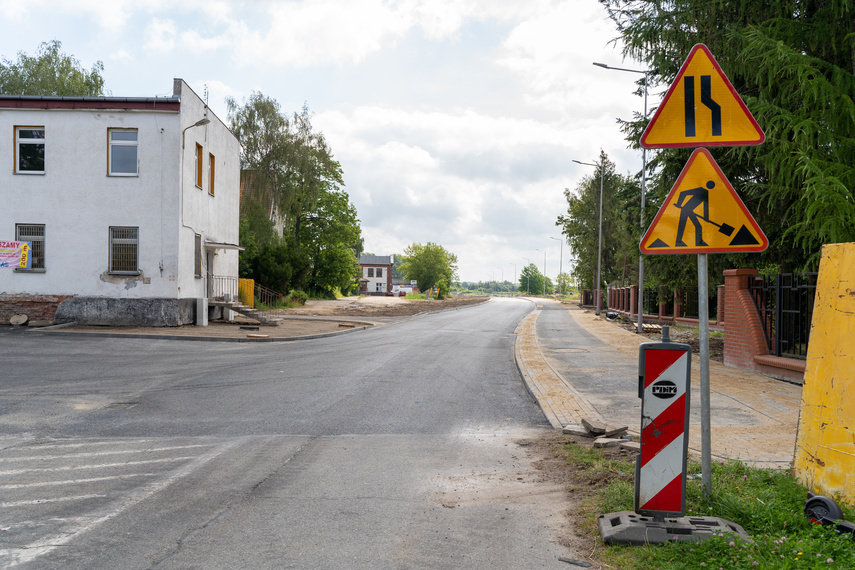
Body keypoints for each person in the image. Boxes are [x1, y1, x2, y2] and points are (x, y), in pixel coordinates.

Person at [675, 180, 715, 247]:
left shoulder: (706, 192)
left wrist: (706, 218)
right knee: (683, 225)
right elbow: (683, 193)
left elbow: (705, 206)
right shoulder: (701, 190)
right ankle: (679, 243)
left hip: (689, 210)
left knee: (696, 226)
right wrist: (679, 204)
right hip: (686, 210)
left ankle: (697, 242)